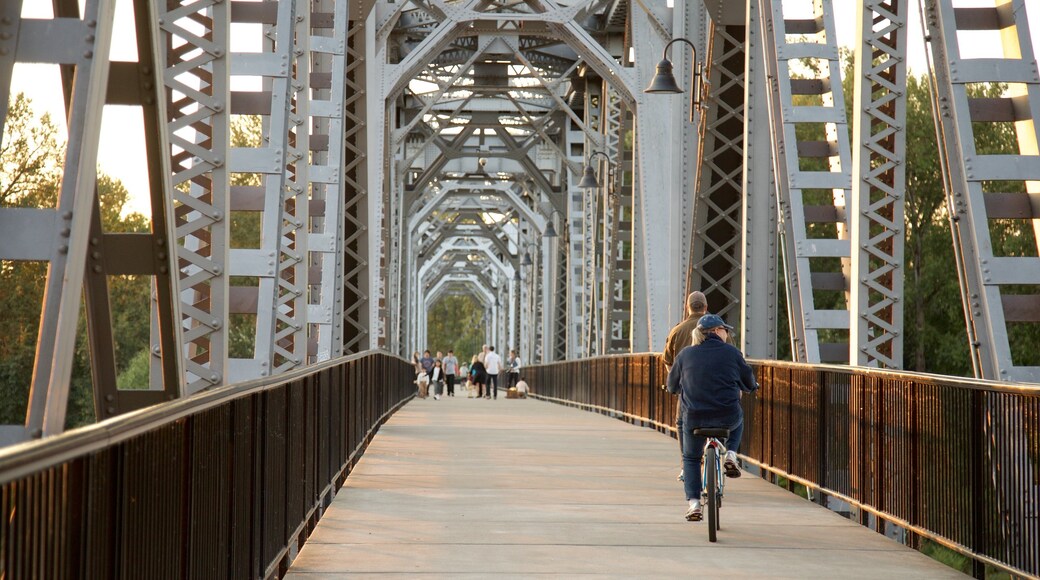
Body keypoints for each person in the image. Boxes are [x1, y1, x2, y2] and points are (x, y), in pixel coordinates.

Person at [666, 314, 757, 522]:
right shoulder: (733, 353)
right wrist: (751, 387)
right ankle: (732, 453)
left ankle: (694, 504)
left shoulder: (685, 355)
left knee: (690, 458)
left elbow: (671, 386)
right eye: (726, 330)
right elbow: (749, 382)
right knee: (739, 416)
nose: (727, 333)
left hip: (695, 417)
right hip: (726, 416)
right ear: (717, 331)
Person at [661, 291, 709, 482]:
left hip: (687, 390)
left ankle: (686, 464)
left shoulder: (677, 331)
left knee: (682, 424)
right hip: (715, 389)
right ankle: (722, 456)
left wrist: (676, 379)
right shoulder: (716, 329)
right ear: (705, 307)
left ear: (688, 308)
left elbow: (667, 360)